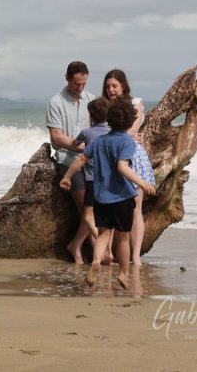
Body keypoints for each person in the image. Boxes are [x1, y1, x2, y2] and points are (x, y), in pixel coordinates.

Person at [59, 99, 156, 289]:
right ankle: (122, 273)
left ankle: (96, 262)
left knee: (103, 234)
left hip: (101, 197)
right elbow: (122, 167)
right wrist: (142, 182)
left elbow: (81, 158)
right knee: (123, 237)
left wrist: (67, 177)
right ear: (130, 122)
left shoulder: (100, 140)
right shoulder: (127, 142)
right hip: (122, 197)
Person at [102, 69, 155, 265]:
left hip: (133, 156)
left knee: (136, 208)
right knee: (112, 205)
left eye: (114, 85)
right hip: (111, 156)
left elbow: (132, 129)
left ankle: (135, 256)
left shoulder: (135, 104)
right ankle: (110, 253)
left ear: (123, 86)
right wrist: (127, 134)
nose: (111, 90)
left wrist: (126, 134)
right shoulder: (103, 106)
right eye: (108, 86)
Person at [46, 61, 94, 263]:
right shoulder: (55, 102)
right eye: (76, 83)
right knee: (86, 205)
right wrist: (79, 146)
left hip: (90, 159)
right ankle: (83, 246)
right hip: (67, 159)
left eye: (83, 83)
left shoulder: (91, 100)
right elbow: (56, 138)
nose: (80, 88)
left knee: (97, 203)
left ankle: (95, 249)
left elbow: (101, 128)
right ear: (67, 79)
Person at [73, 97, 111, 243]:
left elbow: (76, 144)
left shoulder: (86, 132)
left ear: (91, 115)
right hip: (109, 180)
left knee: (89, 216)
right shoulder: (113, 132)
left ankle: (102, 241)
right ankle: (106, 247)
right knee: (106, 216)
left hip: (91, 180)